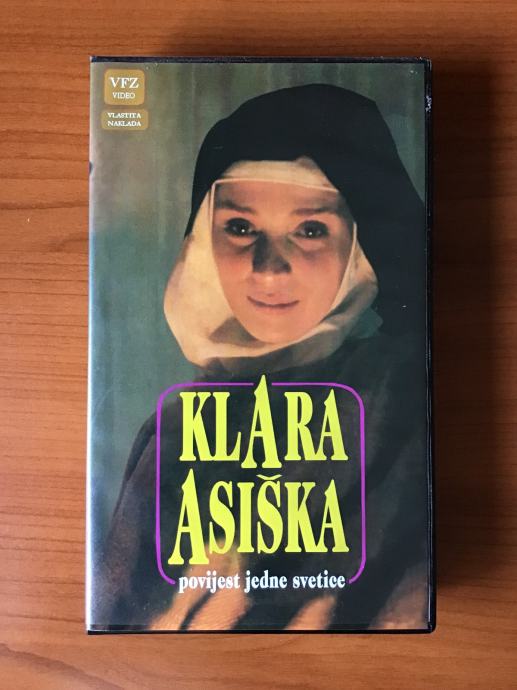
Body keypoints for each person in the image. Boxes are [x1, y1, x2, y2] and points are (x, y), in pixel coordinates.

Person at [91, 83, 430, 631]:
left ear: (359, 245)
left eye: (310, 230)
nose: (268, 268)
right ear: (203, 239)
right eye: (241, 227)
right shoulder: (175, 426)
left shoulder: (399, 393)